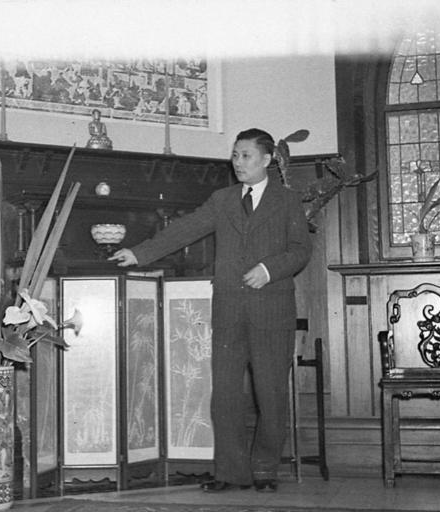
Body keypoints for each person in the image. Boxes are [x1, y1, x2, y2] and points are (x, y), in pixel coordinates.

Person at [109, 128, 311, 493]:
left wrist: (268, 270)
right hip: (229, 310)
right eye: (235, 155)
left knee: (271, 395)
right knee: (225, 397)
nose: (238, 163)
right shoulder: (222, 199)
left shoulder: (287, 200)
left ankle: (265, 470)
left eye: (246, 156)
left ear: (267, 160)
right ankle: (231, 473)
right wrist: (140, 253)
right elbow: (185, 229)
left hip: (272, 311)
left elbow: (300, 250)